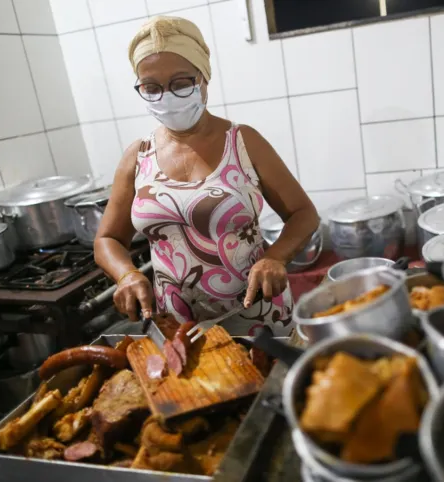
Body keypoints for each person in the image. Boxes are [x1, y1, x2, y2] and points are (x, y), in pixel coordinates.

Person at [94, 16, 319, 336]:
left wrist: (276, 258)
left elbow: (303, 214)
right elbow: (108, 240)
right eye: (151, 87)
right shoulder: (138, 156)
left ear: (203, 78)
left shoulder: (243, 142)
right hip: (179, 327)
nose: (166, 96)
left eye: (181, 82)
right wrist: (126, 275)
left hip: (256, 317)